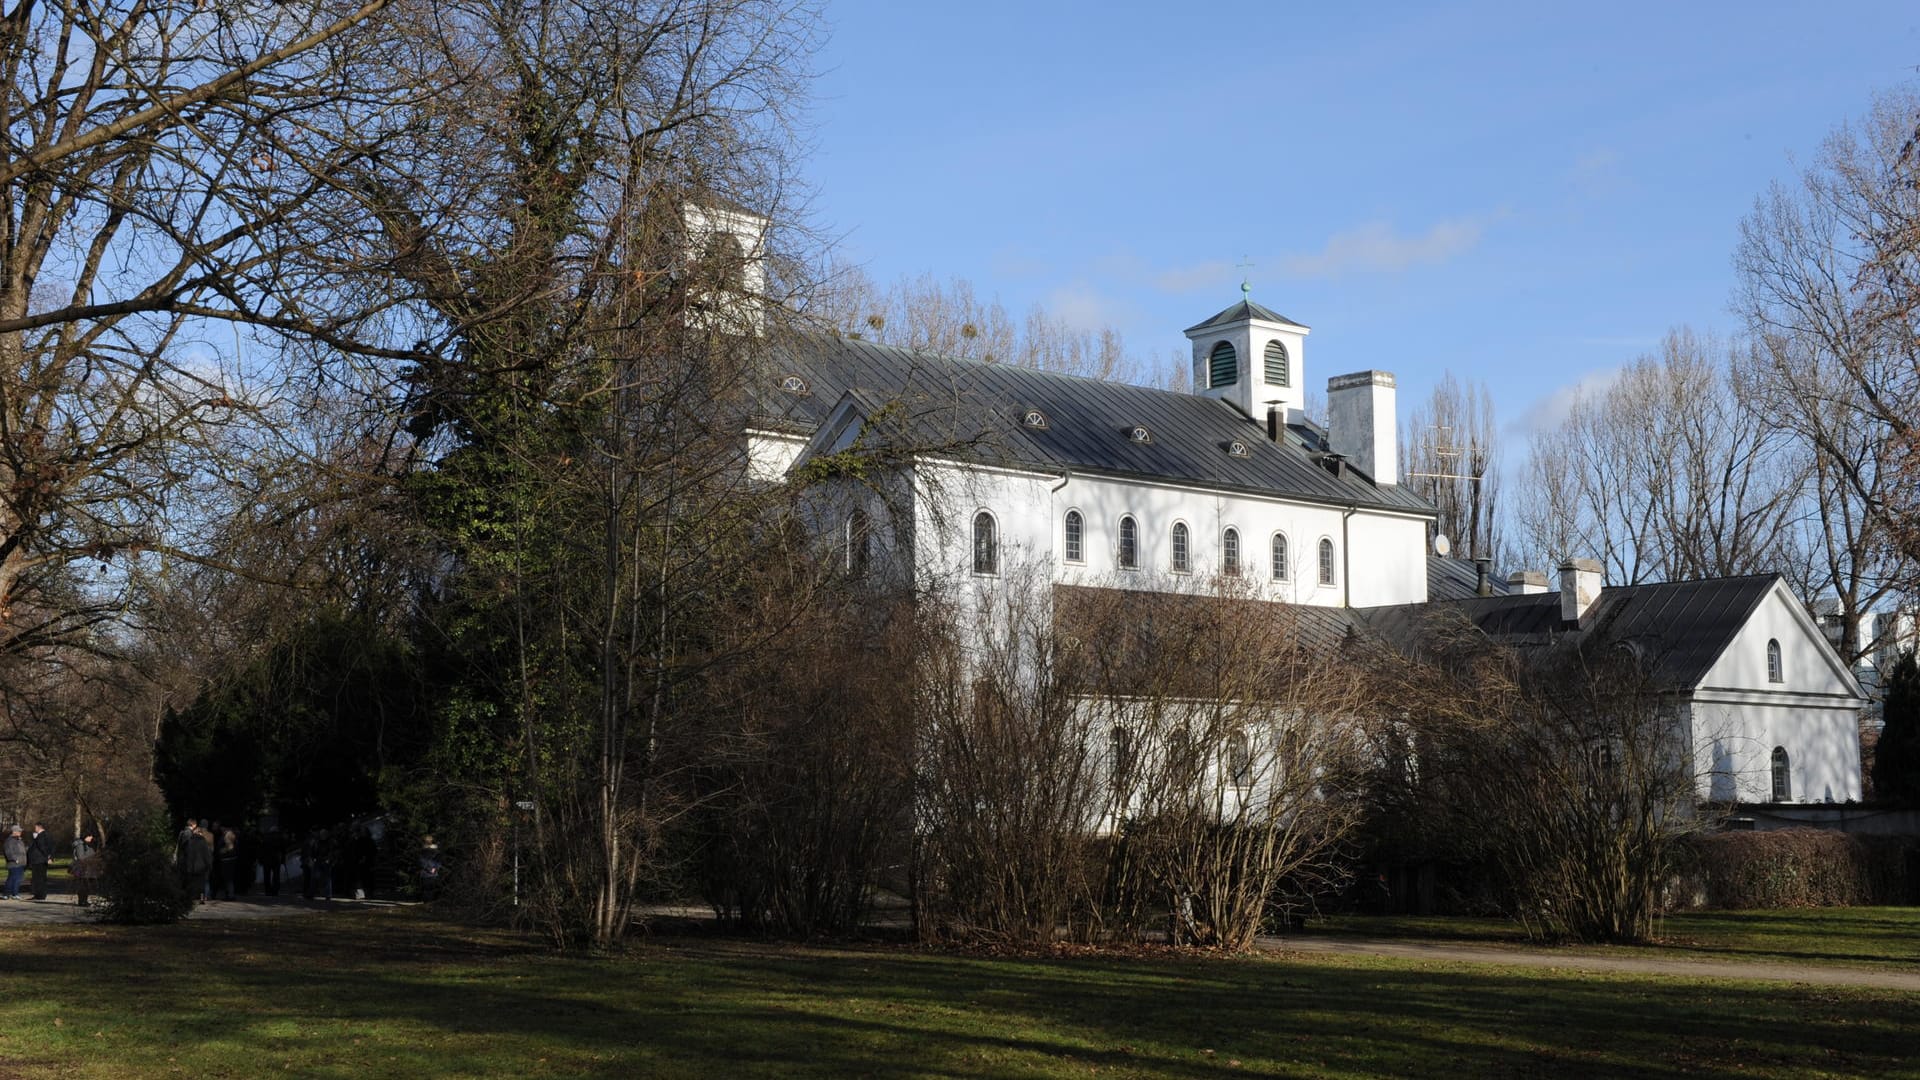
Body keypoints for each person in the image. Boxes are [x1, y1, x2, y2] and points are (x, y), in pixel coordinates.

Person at [183, 822, 214, 904]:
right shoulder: (203, 842)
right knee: (202, 884)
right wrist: (209, 865)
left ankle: (191, 898)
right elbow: (206, 855)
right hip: (202, 866)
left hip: (193, 866)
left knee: (192, 883)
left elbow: (189, 856)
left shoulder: (190, 842)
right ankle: (202, 898)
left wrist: (188, 867)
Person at [70, 833, 100, 907]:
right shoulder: (80, 845)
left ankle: (84, 900)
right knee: (83, 885)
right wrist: (91, 857)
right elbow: (81, 857)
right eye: (90, 836)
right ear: (86, 836)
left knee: (86, 885)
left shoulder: (88, 845)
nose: (91, 838)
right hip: (81, 868)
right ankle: (82, 901)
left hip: (88, 868)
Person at [25, 823, 53, 901]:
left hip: (38, 860)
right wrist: (50, 857)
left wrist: (47, 857)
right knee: (41, 878)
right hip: (42, 860)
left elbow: (42, 847)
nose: (34, 829)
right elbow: (50, 847)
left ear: (38, 827)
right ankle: (40, 894)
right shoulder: (46, 835)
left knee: (38, 878)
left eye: (35, 827)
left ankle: (39, 895)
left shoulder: (41, 836)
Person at [216, 825, 240, 901]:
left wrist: (222, 852)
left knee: (227, 879)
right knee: (230, 879)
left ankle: (230, 895)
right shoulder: (234, 837)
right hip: (232, 860)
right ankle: (230, 894)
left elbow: (221, 849)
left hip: (226, 861)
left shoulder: (225, 838)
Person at [417, 835, 442, 901]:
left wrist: (433, 869)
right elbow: (422, 861)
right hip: (430, 873)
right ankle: (428, 902)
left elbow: (422, 862)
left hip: (428, 873)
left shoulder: (433, 851)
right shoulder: (423, 851)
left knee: (428, 889)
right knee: (428, 889)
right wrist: (434, 869)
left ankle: (428, 902)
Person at [2, 826, 24, 899]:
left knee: (18, 879)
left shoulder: (19, 840)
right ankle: (6, 894)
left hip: (21, 863)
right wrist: (14, 859)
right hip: (14, 863)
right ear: (14, 832)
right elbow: (8, 852)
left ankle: (15, 893)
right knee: (12, 878)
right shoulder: (9, 841)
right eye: (19, 831)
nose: (20, 832)